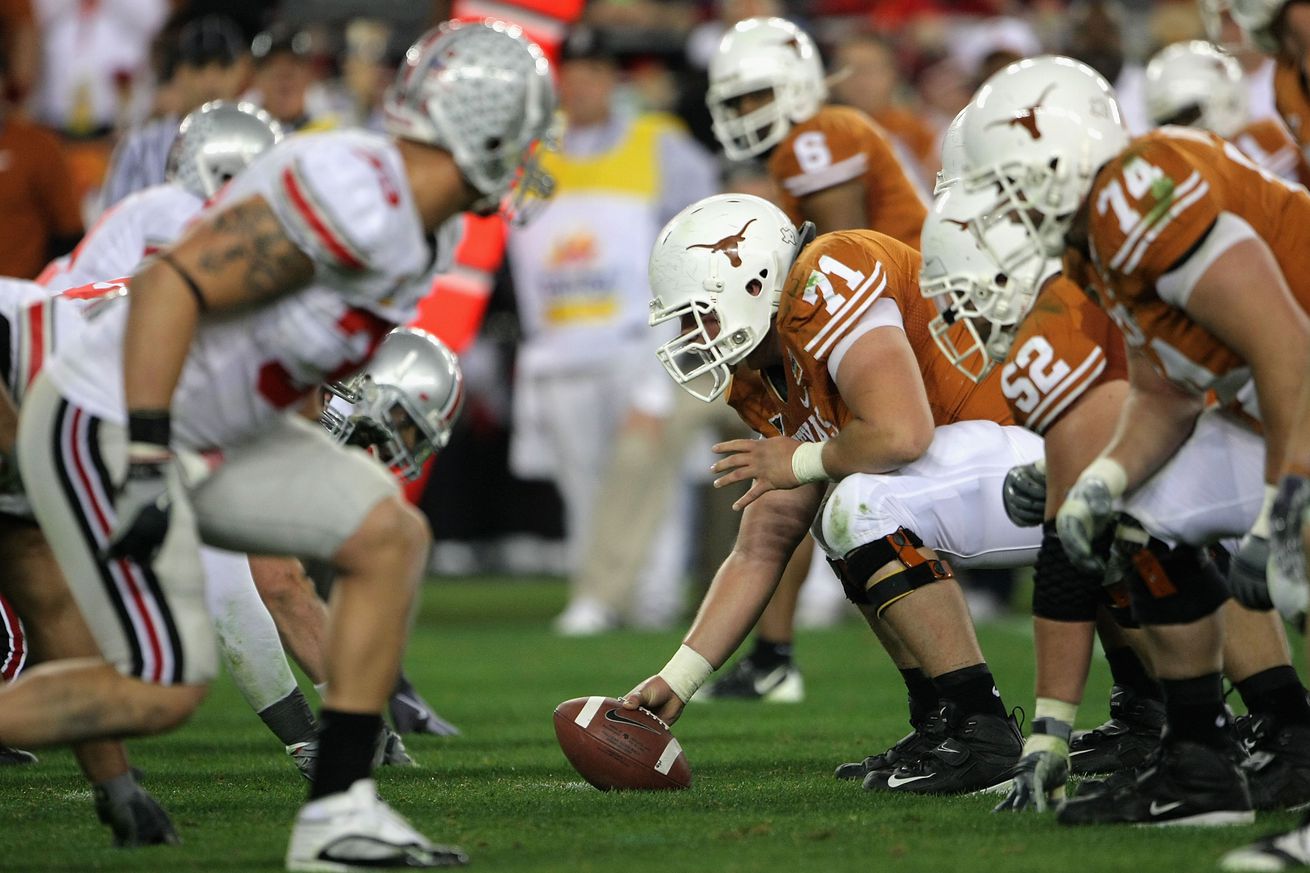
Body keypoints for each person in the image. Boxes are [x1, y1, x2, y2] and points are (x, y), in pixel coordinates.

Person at [0, 18, 555, 871]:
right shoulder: (351, 194)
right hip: (112, 412)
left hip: (211, 430)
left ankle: (339, 812)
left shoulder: (424, 229)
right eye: (518, 135)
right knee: (159, 693)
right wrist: (147, 456)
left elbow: (281, 353)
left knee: (388, 531)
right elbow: (169, 288)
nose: (527, 158)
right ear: (472, 128)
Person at [960, 53, 1310, 829]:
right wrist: (1103, 481)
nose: (1006, 209)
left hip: (1298, 395)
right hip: (1275, 403)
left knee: (1294, 566)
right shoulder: (1094, 246)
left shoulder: (1136, 188)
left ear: (1062, 154)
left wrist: (1282, 507)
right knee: (1142, 514)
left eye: (1010, 183)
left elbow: (1289, 347)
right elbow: (1168, 391)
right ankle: (1200, 766)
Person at [621, 192, 1045, 796]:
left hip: (1046, 454)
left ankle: (981, 728)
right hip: (988, 470)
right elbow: (764, 541)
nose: (694, 334)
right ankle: (942, 719)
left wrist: (803, 458)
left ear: (749, 280)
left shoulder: (827, 271)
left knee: (857, 504)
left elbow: (901, 433)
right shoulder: (759, 376)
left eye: (699, 314)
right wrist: (678, 679)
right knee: (837, 511)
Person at [696, 15, 931, 701]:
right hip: (892, 320)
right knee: (805, 479)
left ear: (797, 86)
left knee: (808, 474)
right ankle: (776, 652)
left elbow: (835, 256)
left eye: (756, 94)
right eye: (735, 100)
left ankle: (777, 654)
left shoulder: (816, 138)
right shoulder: (810, 140)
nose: (746, 113)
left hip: (899, 325)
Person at [503, 25, 718, 635]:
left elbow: (697, 237)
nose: (583, 85)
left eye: (595, 73)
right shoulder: (534, 156)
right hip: (560, 345)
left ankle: (653, 596)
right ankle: (595, 594)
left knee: (654, 472)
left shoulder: (658, 142)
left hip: (637, 341)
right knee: (581, 482)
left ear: (613, 80)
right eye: (571, 75)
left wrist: (686, 338)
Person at [98, 14, 248, 212]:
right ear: (179, 74)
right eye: (200, 66)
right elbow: (117, 227)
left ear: (239, 73)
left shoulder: (256, 141)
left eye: (223, 66)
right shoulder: (141, 146)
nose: (212, 80)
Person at [1143, 39, 1310, 186]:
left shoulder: (1266, 138)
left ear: (1222, 95)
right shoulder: (1175, 176)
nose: (1181, 130)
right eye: (1170, 123)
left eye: (1187, 116)